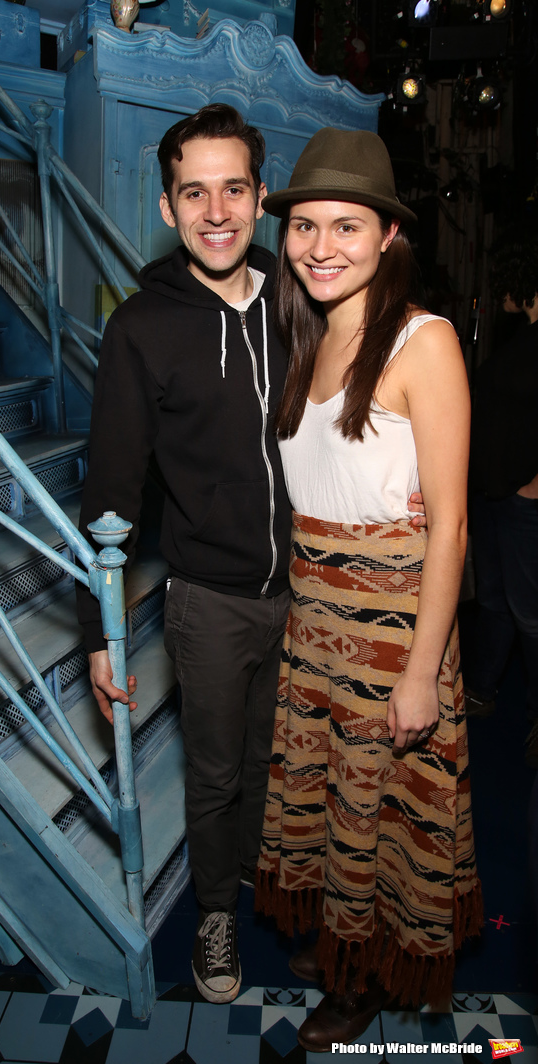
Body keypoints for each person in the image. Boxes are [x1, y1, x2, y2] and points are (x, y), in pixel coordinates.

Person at [76, 105, 427, 1006]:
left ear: (262, 196)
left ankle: (290, 901)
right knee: (217, 772)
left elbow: (383, 387)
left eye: (235, 188)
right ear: (167, 208)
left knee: (293, 765)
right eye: (195, 192)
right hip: (210, 598)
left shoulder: (302, 291)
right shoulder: (142, 327)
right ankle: (217, 914)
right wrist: (98, 628)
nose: (217, 209)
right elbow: (112, 490)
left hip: (315, 592)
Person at [254, 127, 482, 1052]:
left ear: (388, 234)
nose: (320, 246)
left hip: (397, 635)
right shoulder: (302, 339)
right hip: (315, 630)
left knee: (383, 816)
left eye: (346, 226)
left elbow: (453, 528)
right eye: (304, 226)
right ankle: (351, 945)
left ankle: (366, 981)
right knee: (335, 809)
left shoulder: (423, 343)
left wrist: (423, 672)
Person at [464, 228, 538, 757]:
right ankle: (483, 689)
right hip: (491, 494)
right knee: (494, 602)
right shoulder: (519, 338)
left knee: (530, 613)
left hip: (521, 500)